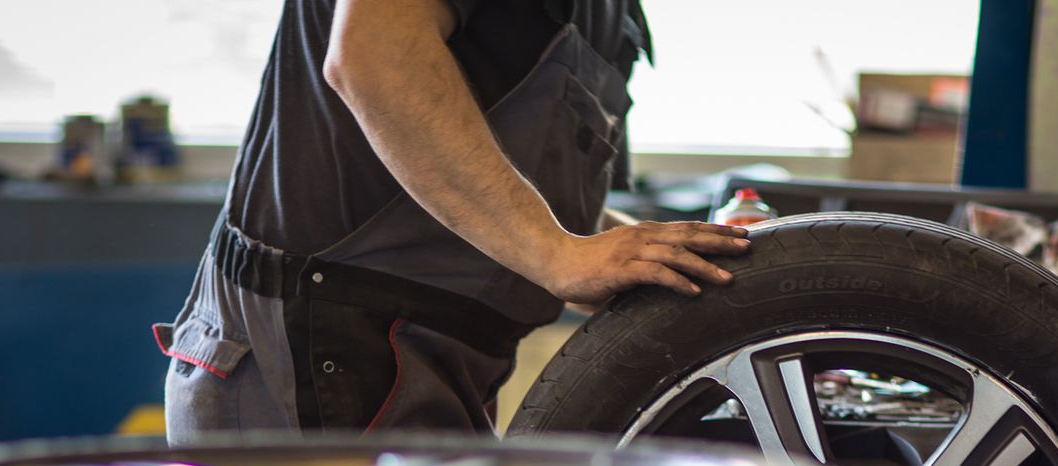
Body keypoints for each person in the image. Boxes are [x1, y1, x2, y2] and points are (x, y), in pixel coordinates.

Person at [156, 0, 753, 440]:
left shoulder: (609, 14)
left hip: (434, 360)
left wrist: (666, 256)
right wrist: (558, 255)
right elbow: (374, 55)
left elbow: (545, 202)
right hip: (311, 350)